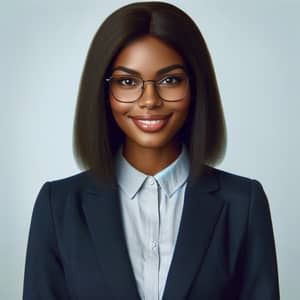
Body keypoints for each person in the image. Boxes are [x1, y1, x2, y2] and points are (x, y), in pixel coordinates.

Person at [23, 2, 280, 299]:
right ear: (104, 91)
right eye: (127, 81)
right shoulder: (59, 207)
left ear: (195, 87)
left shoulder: (242, 204)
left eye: (170, 80)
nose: (149, 100)